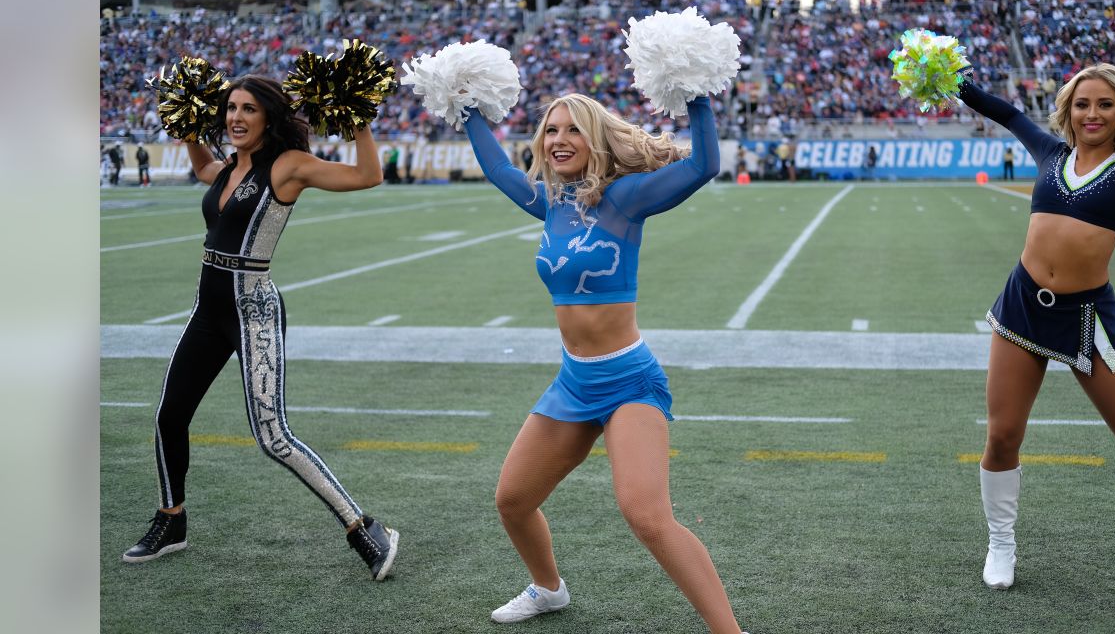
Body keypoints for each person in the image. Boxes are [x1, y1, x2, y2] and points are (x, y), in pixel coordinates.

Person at [461, 93, 745, 633]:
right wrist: (466, 107)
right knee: (513, 501)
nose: (559, 140)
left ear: (596, 140)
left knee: (648, 517)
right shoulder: (546, 199)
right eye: (550, 130)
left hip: (628, 381)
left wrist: (698, 98)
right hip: (574, 380)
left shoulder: (625, 198)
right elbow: (498, 166)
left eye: (573, 130)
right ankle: (548, 590)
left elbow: (705, 165)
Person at [122, 75, 399, 580]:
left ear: (268, 117)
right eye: (230, 109)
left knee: (274, 437)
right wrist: (187, 122)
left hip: (253, 310)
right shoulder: (230, 165)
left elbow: (367, 175)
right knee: (169, 415)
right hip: (207, 309)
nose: (236, 118)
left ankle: (364, 527)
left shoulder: (288, 166)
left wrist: (357, 119)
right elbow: (205, 167)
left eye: (248, 109)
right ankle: (172, 519)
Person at [958, 63, 1115, 590]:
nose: (1093, 113)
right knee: (1003, 433)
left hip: (1085, 317)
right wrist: (959, 86)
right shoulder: (1051, 155)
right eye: (1083, 104)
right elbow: (1008, 113)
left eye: (1105, 104)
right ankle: (1002, 545)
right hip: (1022, 308)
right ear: (1069, 111)